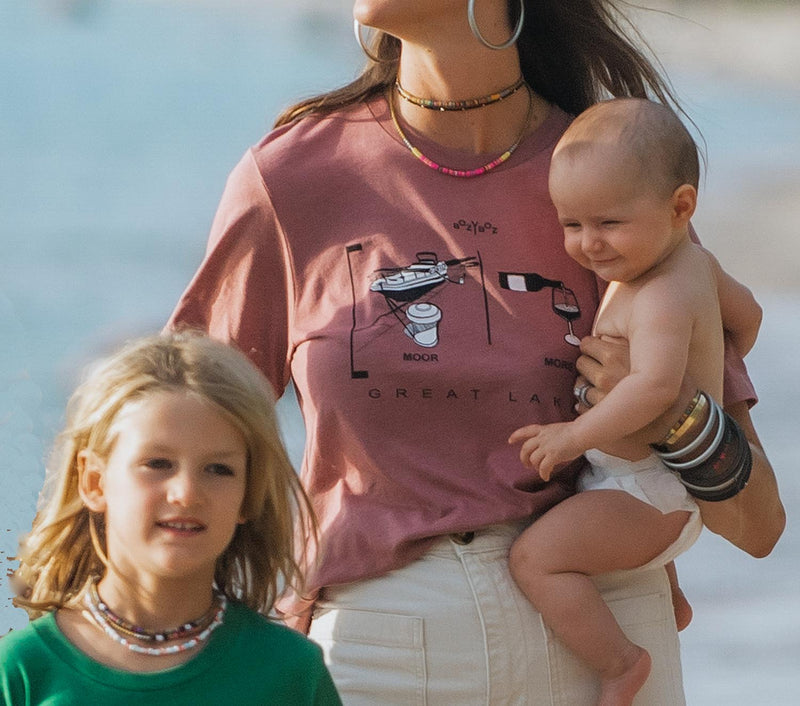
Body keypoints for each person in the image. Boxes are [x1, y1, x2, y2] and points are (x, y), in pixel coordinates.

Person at [167, 1, 785, 703]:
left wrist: (676, 413)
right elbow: (177, 445)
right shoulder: (292, 178)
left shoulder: (608, 184)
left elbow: (758, 524)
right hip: (377, 647)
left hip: (603, 634)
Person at [506, 97, 762, 706]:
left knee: (535, 559)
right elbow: (747, 314)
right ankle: (667, 592)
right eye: (572, 224)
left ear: (681, 207)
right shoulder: (693, 264)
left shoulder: (662, 295)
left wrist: (572, 437)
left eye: (609, 224)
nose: (589, 244)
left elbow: (654, 389)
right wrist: (720, 347)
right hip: (641, 485)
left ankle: (621, 663)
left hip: (648, 490)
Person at [0, 332, 342, 705]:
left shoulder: (290, 671)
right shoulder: (22, 669)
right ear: (94, 482)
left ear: (250, 493)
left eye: (218, 469)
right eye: (157, 464)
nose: (186, 492)